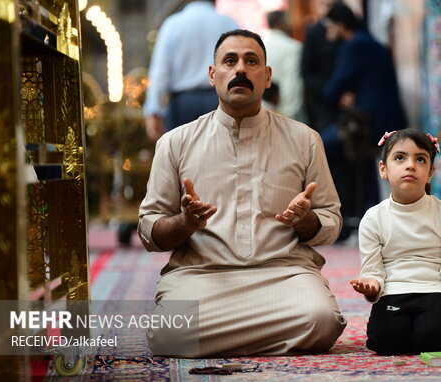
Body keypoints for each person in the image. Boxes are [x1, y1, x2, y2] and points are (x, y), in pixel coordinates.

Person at [138, 29, 346, 358]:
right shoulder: (174, 143)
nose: (240, 70)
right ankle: (273, 336)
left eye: (251, 62)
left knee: (321, 320)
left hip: (283, 274)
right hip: (202, 275)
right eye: (230, 61)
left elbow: (330, 221)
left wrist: (304, 221)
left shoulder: (305, 139)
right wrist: (185, 222)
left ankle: (218, 338)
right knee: (169, 333)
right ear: (212, 74)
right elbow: (151, 232)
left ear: (267, 77)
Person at [350, 128, 441, 355]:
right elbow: (373, 270)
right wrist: (371, 285)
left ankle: (424, 329)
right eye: (400, 158)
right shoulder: (373, 218)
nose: (410, 165)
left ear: (431, 172)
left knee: (436, 339)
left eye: (420, 159)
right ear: (383, 169)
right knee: (385, 342)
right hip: (392, 292)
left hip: (435, 291)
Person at [322, 2, 407, 240]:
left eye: (329, 25)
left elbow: (333, 89)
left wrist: (341, 97)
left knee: (319, 148)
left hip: (370, 123)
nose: (327, 32)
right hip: (382, 119)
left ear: (339, 24)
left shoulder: (356, 46)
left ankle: (342, 219)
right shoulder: (369, 42)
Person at [144, 0, 238, 141]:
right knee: (223, 158)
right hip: (221, 102)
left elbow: (160, 72)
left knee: (182, 159)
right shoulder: (228, 23)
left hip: (182, 106)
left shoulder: (172, 24)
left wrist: (154, 110)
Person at [301, 0, 340, 134]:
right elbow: (307, 71)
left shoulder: (346, 31)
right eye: (325, 5)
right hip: (323, 101)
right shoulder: (314, 33)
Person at [263, 10, 304, 120]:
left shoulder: (260, 44)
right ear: (281, 22)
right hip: (283, 111)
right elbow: (291, 81)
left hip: (260, 110)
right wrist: (287, 114)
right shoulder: (293, 47)